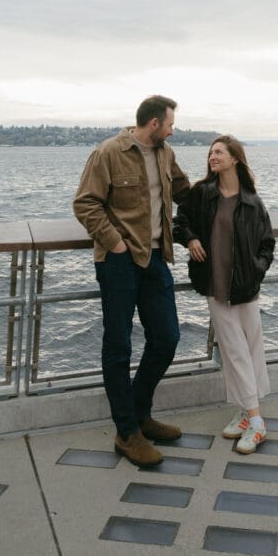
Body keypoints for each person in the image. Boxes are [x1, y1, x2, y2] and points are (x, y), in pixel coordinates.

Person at [73, 95, 191, 467]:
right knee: (118, 346)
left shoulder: (165, 154)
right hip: (118, 262)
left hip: (155, 258)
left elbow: (187, 193)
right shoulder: (108, 152)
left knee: (167, 337)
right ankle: (126, 433)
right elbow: (85, 204)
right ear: (153, 123)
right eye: (170, 124)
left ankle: (140, 416)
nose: (173, 130)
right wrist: (116, 243)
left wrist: (234, 187)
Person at [173, 135, 275, 454]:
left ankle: (247, 415)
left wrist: (256, 269)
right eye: (210, 152)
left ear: (235, 159)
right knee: (233, 350)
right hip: (216, 287)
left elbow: (267, 243)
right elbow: (179, 222)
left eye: (219, 152)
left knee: (251, 348)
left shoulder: (251, 200)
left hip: (247, 287)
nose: (212, 156)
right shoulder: (202, 194)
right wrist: (190, 240)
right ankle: (257, 422)